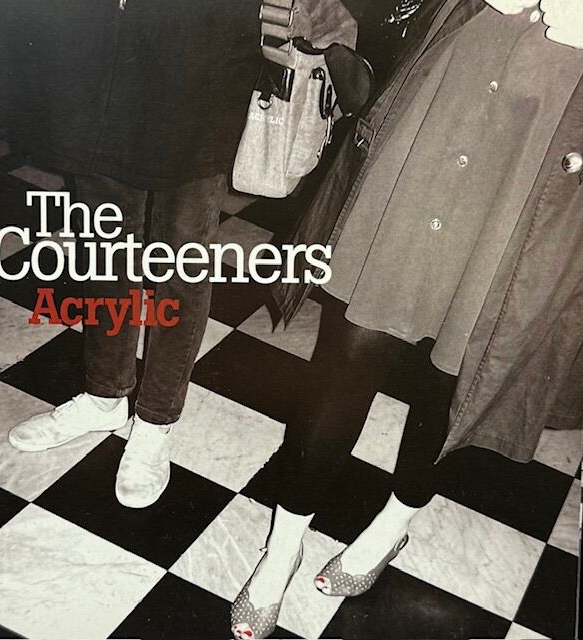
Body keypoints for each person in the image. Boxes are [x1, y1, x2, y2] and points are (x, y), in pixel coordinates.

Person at [230, 0, 583, 637]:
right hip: (455, 85)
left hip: (545, 147)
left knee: (457, 372)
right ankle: (283, 545)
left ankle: (394, 524)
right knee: (349, 352)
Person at [5, 0, 260, 508]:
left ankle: (156, 420)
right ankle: (104, 396)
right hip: (106, 65)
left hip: (202, 66)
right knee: (106, 249)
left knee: (180, 263)